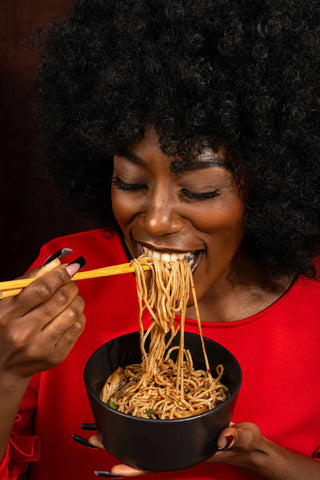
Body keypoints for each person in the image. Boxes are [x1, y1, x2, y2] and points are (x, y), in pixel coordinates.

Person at [1, 0, 320, 478]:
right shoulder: (65, 276)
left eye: (200, 191)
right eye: (130, 182)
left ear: (275, 186)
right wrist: (5, 372)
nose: (154, 222)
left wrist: (261, 458)